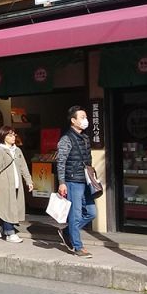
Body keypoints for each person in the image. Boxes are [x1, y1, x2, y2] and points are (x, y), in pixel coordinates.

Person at [56, 106, 96, 258]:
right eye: (82, 117)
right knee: (75, 214)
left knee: (91, 212)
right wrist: (62, 182)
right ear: (73, 120)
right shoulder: (66, 139)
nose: (86, 120)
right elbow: (61, 162)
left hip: (86, 181)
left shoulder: (85, 138)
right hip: (73, 181)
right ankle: (77, 246)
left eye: (86, 117)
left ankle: (67, 231)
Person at [0, 126, 34, 244]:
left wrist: (29, 181)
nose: (13, 137)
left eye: (13, 135)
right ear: (3, 137)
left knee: (13, 208)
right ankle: (10, 233)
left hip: (16, 184)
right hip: (4, 184)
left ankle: (0, 224)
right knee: (7, 208)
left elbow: (23, 167)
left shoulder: (17, 151)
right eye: (9, 135)